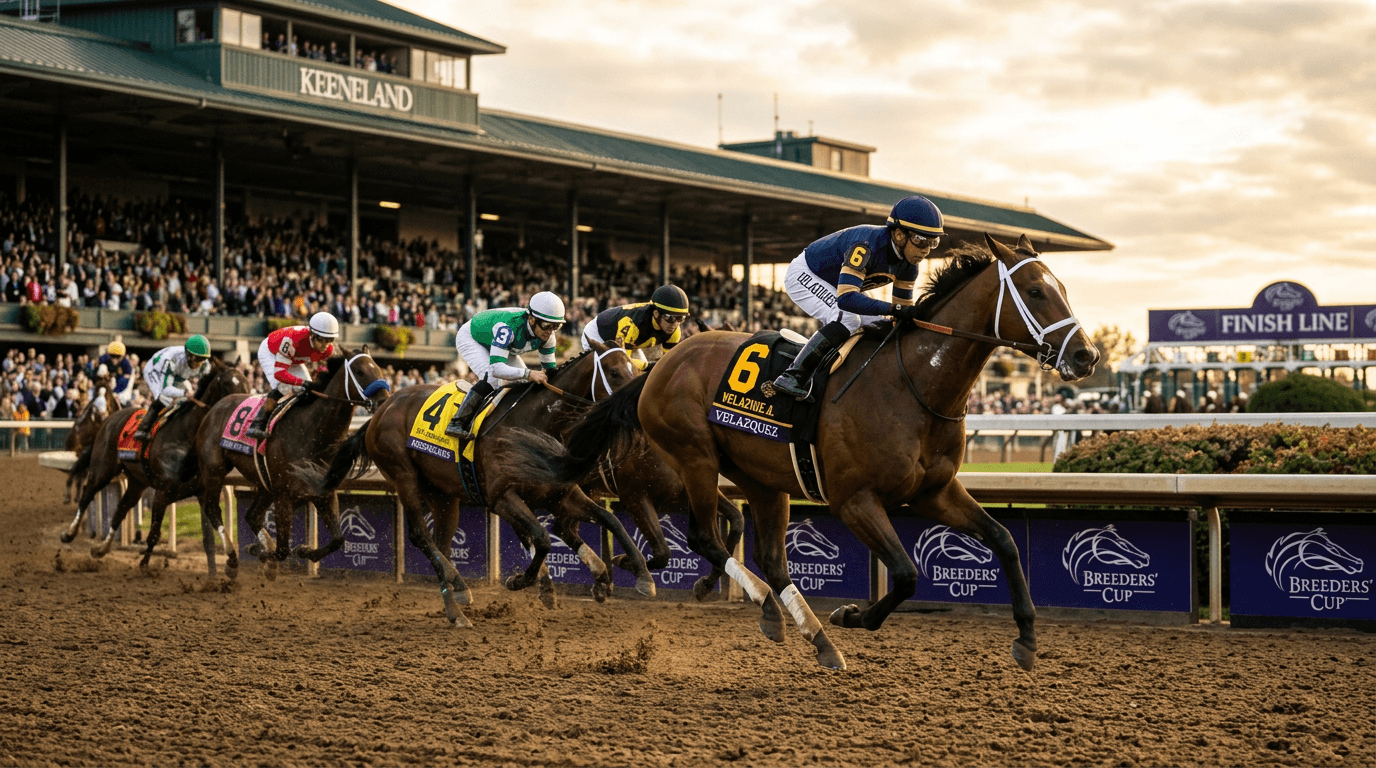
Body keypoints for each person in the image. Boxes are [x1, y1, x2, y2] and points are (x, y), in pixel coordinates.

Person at [772, 195, 945, 399]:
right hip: (806, 274)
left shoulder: (910, 266)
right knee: (847, 318)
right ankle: (793, 376)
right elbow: (846, 299)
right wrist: (895, 309)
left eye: (933, 242)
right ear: (899, 235)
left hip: (838, 285)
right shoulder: (865, 246)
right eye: (921, 241)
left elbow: (900, 316)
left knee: (882, 324)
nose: (926, 251)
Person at [445, 292, 564, 439]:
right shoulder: (508, 328)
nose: (550, 332)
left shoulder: (549, 336)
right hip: (472, 337)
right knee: (493, 379)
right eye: (546, 325)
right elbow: (496, 369)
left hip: (500, 343)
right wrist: (529, 373)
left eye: (556, 326)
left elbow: (550, 372)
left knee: (523, 380)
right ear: (532, 319)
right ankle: (457, 422)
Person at [246, 312, 339, 439]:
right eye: (321, 340)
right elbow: (279, 374)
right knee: (283, 388)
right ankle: (258, 422)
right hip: (271, 352)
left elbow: (321, 369)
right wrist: (302, 382)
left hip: (293, 357)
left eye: (329, 340)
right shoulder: (292, 341)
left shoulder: (328, 350)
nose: (325, 345)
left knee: (309, 392)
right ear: (312, 335)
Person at [581, 284, 689, 369]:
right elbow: (623, 363)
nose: (675, 324)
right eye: (669, 317)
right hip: (598, 335)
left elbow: (668, 364)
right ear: (656, 314)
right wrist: (650, 365)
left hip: (629, 343)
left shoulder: (675, 332)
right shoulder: (632, 324)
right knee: (616, 375)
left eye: (680, 318)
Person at [132, 335, 212, 442]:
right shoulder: (173, 361)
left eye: (203, 359)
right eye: (197, 359)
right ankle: (143, 429)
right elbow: (166, 389)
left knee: (186, 400)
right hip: (156, 371)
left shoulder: (205, 366)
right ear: (189, 356)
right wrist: (184, 392)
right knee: (164, 399)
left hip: (179, 376)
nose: (200, 363)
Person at [97, 340, 135, 407]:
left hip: (121, 385)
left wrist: (115, 392)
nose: (114, 359)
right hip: (108, 381)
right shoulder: (104, 360)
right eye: (112, 356)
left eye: (117, 357)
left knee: (124, 398)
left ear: (122, 357)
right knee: (102, 368)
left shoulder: (126, 364)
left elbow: (125, 381)